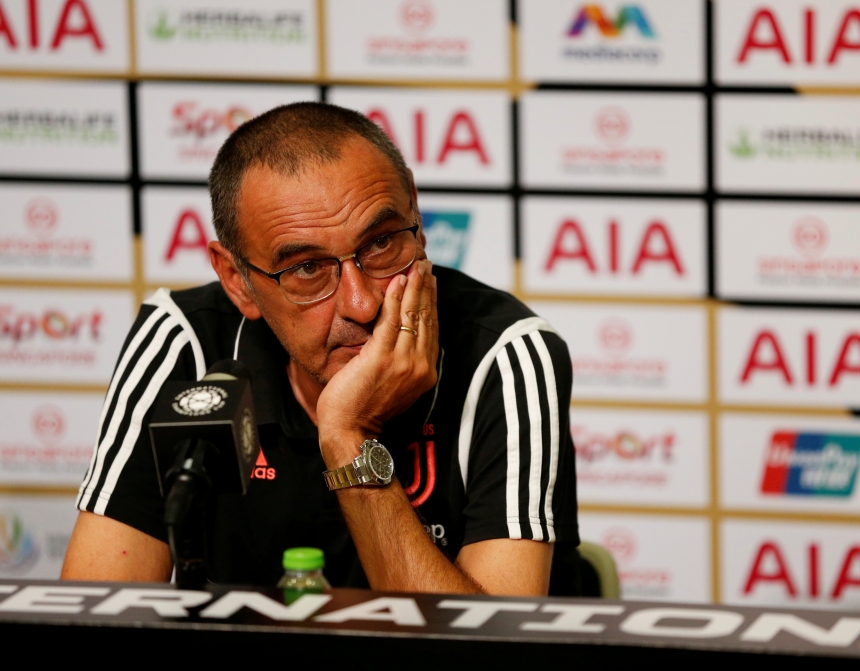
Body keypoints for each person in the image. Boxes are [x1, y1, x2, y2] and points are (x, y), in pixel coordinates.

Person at [61, 102, 579, 595]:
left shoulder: (507, 355)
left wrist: (348, 435)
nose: (361, 303)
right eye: (307, 269)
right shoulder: (185, 343)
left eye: (380, 244)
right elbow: (94, 624)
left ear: (416, 216)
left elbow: (491, 654)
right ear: (236, 280)